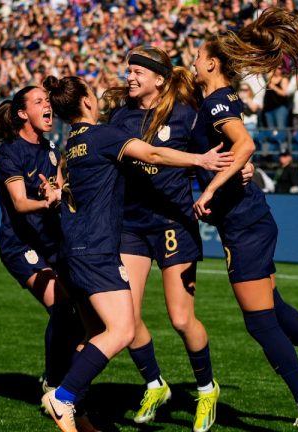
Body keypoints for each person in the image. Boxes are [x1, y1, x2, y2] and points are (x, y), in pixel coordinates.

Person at [40, 74, 234, 432]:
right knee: (122, 329)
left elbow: (68, 176)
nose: (127, 78)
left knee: (98, 330)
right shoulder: (105, 134)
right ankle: (63, 395)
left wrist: (57, 188)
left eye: (136, 71)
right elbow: (154, 152)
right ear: (86, 102)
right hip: (98, 247)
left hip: (75, 247)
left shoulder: (74, 142)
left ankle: (77, 413)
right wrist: (201, 161)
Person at [189, 8, 298, 432]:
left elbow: (244, 144)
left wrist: (210, 187)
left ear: (211, 63)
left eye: (197, 54)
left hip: (244, 222)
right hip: (247, 218)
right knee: (272, 308)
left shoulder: (218, 99)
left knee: (259, 322)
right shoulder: (209, 100)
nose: (191, 58)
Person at [103, 46, 253, 431]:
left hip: (173, 223)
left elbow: (224, 150)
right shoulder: (120, 117)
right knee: (127, 320)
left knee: (181, 318)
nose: (130, 76)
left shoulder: (186, 115)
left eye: (138, 71)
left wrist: (244, 167)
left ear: (159, 78)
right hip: (131, 226)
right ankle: (155, 384)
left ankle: (206, 389)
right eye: (129, 70)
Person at [0, 86, 84, 422]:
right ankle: (55, 385)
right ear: (22, 113)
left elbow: (57, 186)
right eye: (39, 102)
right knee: (60, 304)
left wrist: (56, 189)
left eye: (48, 102)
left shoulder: (51, 148)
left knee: (74, 311)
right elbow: (19, 203)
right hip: (20, 245)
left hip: (51, 242)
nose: (48, 107)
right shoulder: (10, 152)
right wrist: (47, 200)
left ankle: (57, 379)